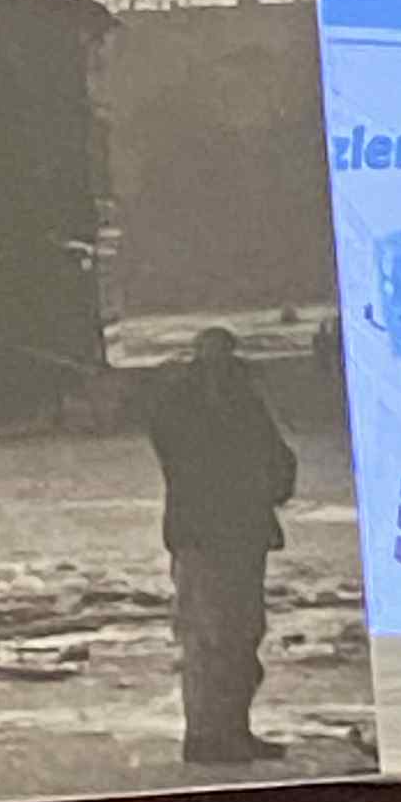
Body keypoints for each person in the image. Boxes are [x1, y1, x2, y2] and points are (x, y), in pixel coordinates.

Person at [147, 326, 299, 766]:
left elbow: (276, 461)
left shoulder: (195, 408)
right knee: (216, 638)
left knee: (229, 638)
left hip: (219, 536)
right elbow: (277, 463)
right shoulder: (220, 407)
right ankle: (212, 735)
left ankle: (225, 732)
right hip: (217, 536)